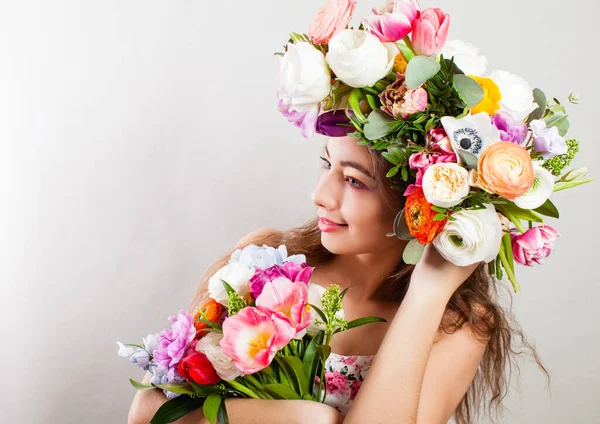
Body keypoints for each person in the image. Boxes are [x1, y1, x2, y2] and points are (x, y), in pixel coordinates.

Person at [127, 135, 550, 424]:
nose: (320, 195)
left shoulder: (457, 323)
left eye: (353, 180)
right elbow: (147, 410)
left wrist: (428, 292)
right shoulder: (264, 261)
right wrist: (302, 418)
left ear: (418, 203)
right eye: (326, 165)